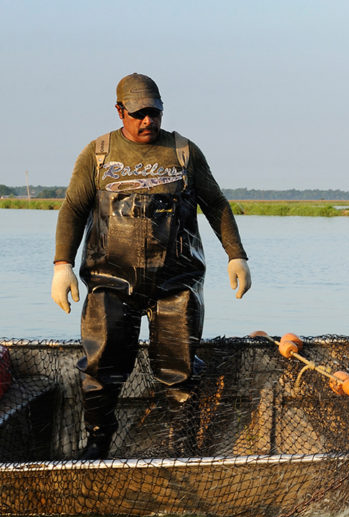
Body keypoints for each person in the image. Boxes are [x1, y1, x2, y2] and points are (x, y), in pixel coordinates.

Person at [51, 73, 252, 459]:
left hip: (177, 282)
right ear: (120, 110)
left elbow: (216, 204)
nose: (148, 122)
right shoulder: (98, 153)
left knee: (180, 374)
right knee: (101, 368)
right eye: (139, 114)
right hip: (111, 280)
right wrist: (63, 265)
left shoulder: (184, 152)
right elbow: (74, 209)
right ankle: (96, 444)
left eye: (154, 113)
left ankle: (182, 450)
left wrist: (236, 255)